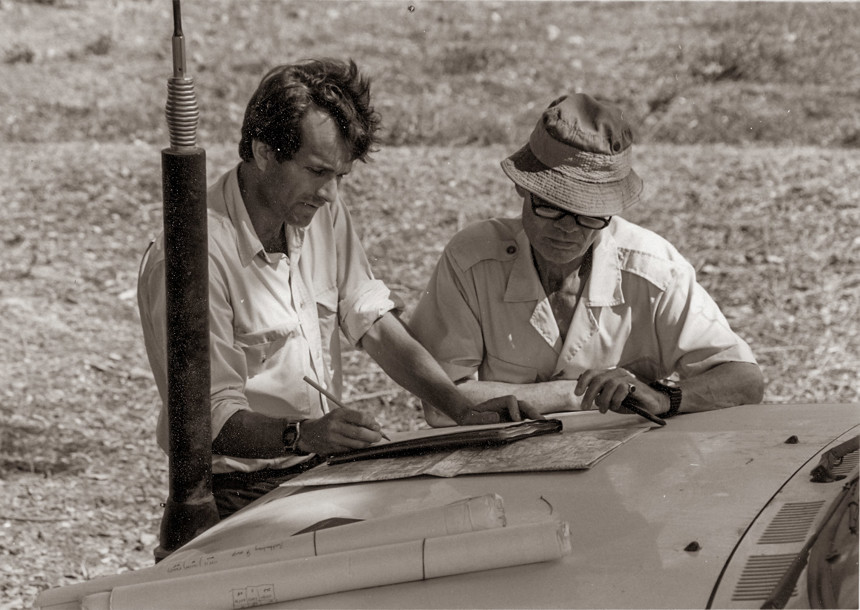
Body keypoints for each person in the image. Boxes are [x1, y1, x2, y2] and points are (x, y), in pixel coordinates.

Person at [137, 58, 532, 518]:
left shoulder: (318, 212)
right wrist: (303, 434)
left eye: (340, 176)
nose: (331, 195)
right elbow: (208, 419)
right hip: (235, 492)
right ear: (264, 153)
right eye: (317, 172)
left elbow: (372, 321)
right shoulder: (191, 257)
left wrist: (460, 408)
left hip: (320, 470)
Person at [408, 93, 764, 427]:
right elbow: (440, 401)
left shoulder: (654, 268)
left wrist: (664, 397)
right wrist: (574, 393)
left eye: (589, 214)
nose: (567, 229)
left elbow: (745, 381)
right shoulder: (472, 259)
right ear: (522, 187)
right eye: (550, 206)